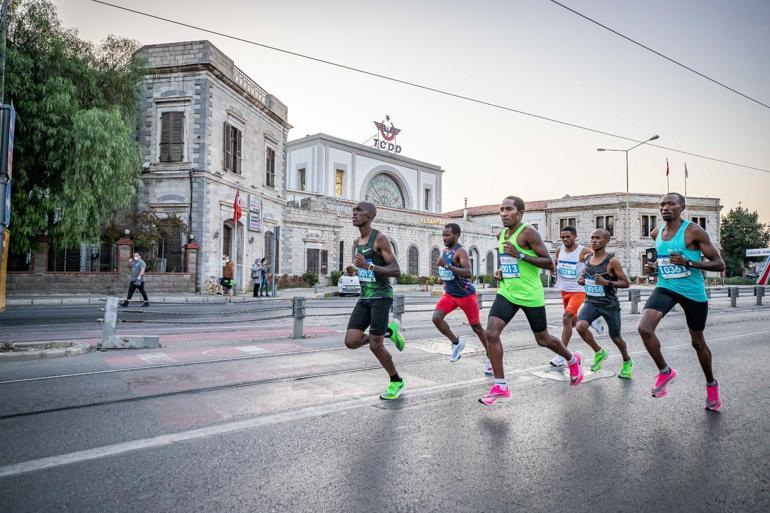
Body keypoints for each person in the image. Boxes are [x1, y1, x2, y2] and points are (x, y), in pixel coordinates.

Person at [480, 196, 584, 406]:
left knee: (543, 339)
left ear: (520, 213)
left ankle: (572, 360)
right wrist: (502, 271)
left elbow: (548, 263)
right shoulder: (501, 235)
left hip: (530, 295)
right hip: (508, 292)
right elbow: (509, 261)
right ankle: (501, 385)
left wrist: (520, 255)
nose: (503, 213)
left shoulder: (529, 233)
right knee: (491, 333)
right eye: (501, 209)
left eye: (508, 209)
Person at [638, 193, 725, 411]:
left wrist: (689, 262)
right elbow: (663, 259)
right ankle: (665, 371)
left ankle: (711, 385)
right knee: (644, 329)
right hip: (666, 287)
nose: (665, 207)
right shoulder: (656, 233)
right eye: (662, 204)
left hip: (692, 293)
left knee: (697, 343)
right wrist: (655, 267)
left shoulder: (693, 231)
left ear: (682, 207)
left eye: (670, 204)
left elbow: (719, 264)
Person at [344, 201, 407, 400]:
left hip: (381, 297)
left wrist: (368, 267)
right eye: (353, 211)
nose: (354, 214)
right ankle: (390, 331)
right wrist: (355, 270)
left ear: (370, 215)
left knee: (375, 345)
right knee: (351, 342)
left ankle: (396, 381)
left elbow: (396, 271)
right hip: (365, 297)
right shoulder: (356, 243)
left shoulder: (380, 239)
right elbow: (364, 266)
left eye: (359, 211)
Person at [575, 229, 634, 378]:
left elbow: (626, 283)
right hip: (591, 302)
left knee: (615, 337)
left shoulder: (612, 261)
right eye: (592, 237)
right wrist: (581, 279)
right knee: (580, 327)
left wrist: (606, 282)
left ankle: (627, 361)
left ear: (606, 241)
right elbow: (586, 273)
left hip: (609, 305)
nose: (594, 240)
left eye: (598, 238)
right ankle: (599, 352)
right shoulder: (588, 257)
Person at [432, 223, 489, 367]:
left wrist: (446, 266)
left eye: (447, 235)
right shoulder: (446, 250)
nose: (444, 238)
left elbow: (468, 273)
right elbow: (450, 272)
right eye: (443, 235)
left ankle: (490, 356)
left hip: (465, 296)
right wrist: (443, 278)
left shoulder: (461, 251)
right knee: (436, 318)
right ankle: (456, 343)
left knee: (476, 328)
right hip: (450, 295)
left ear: (457, 235)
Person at [549, 225, 602, 367]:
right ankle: (592, 324)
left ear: (575, 236)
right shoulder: (559, 250)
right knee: (573, 323)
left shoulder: (583, 250)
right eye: (563, 237)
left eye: (568, 237)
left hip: (579, 290)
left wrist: (588, 272)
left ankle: (561, 355)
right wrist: (552, 268)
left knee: (566, 318)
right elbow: (555, 265)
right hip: (564, 290)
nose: (565, 239)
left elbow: (599, 259)